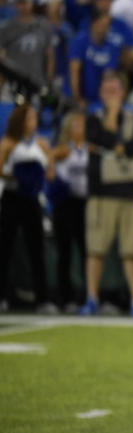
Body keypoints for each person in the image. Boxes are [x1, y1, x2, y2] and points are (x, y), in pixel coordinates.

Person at [82, 73, 133, 317]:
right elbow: (101, 140)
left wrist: (114, 146)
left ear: (123, 93)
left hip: (130, 193)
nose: (111, 95)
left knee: (131, 251)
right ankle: (91, 298)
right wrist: (111, 120)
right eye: (107, 90)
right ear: (100, 94)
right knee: (96, 249)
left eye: (115, 90)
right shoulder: (93, 119)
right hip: (102, 193)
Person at [0, 104, 54, 313]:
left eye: (34, 117)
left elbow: (50, 175)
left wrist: (35, 176)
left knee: (36, 249)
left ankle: (43, 298)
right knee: (5, 247)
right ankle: (2, 296)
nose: (33, 121)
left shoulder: (42, 144)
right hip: (13, 197)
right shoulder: (8, 144)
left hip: (31, 199)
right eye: (29, 118)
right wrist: (18, 175)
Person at [48, 111, 91, 310]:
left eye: (82, 125)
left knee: (86, 252)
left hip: (85, 204)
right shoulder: (63, 150)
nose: (79, 128)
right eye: (75, 125)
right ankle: (65, 298)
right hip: (65, 203)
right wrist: (52, 172)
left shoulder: (90, 149)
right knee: (65, 251)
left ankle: (88, 297)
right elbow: (49, 164)